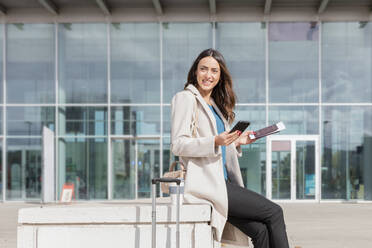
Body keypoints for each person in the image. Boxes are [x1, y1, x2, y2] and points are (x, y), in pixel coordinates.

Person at [171, 48, 290, 248]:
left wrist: (236, 142)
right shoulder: (186, 98)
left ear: (220, 76)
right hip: (208, 184)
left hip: (225, 182)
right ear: (195, 72)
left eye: (214, 71)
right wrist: (215, 141)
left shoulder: (215, 106)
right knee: (274, 212)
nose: (208, 75)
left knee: (260, 231)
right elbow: (178, 144)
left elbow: (219, 146)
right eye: (203, 69)